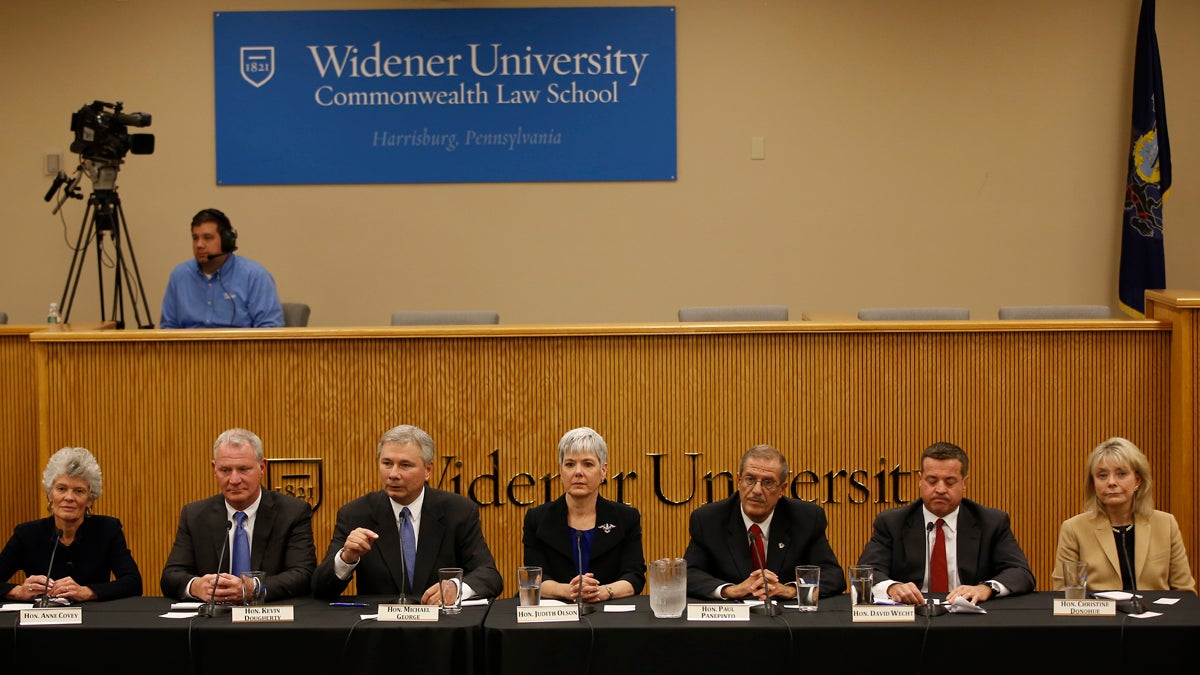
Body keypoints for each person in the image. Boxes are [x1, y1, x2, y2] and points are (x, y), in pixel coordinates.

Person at [312, 424, 503, 603]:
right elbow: (320, 589)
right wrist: (346, 558)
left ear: (428, 470)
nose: (393, 474)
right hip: (380, 630)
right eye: (387, 463)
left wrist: (457, 588)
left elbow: (489, 575)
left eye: (405, 465)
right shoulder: (356, 513)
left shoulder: (458, 511)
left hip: (440, 629)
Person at [857, 441, 1035, 605]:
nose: (940, 489)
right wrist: (892, 587)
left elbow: (1020, 572)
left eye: (950, 482)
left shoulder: (991, 522)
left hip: (970, 618)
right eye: (932, 481)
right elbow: (866, 572)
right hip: (912, 617)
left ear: (964, 483)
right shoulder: (892, 522)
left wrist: (985, 588)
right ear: (920, 480)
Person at [160, 428, 316, 603]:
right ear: (214, 469)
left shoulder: (292, 512)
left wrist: (254, 588)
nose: (234, 479)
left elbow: (303, 574)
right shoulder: (195, 515)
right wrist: (195, 586)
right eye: (225, 470)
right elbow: (171, 576)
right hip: (213, 622)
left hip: (270, 621)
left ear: (262, 467)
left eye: (243, 469)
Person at [684, 444, 845, 601]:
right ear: (739, 482)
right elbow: (688, 574)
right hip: (731, 622)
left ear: (782, 489)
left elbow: (833, 575)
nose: (756, 490)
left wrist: (790, 590)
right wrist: (731, 590)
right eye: (750, 479)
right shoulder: (708, 520)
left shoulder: (806, 518)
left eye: (768, 482)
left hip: (787, 622)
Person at [1053, 437, 1195, 593]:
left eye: (1121, 474)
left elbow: (1185, 592)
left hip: (1158, 615)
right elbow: (1064, 594)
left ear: (1137, 481)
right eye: (1102, 476)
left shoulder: (1166, 524)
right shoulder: (1074, 529)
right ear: (1093, 484)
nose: (1111, 482)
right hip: (1097, 616)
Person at [1, 447, 142, 602]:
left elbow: (133, 583)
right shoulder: (27, 534)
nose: (69, 497)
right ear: (50, 494)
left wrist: (87, 592)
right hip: (42, 623)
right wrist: (17, 591)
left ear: (90, 499)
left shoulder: (107, 530)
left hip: (93, 621)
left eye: (79, 491)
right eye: (61, 489)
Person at [522, 427, 645, 602]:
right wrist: (569, 590)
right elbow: (533, 578)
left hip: (609, 616)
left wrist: (602, 591)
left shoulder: (626, 518)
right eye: (570, 464)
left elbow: (634, 576)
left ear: (603, 471)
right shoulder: (537, 519)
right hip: (556, 617)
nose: (578, 472)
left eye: (588, 464)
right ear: (561, 471)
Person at [160, 208, 284, 328]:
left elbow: (270, 330)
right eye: (195, 238)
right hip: (188, 349)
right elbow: (168, 329)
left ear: (226, 241)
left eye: (207, 238)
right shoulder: (179, 276)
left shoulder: (255, 276)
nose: (199, 245)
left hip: (240, 349)